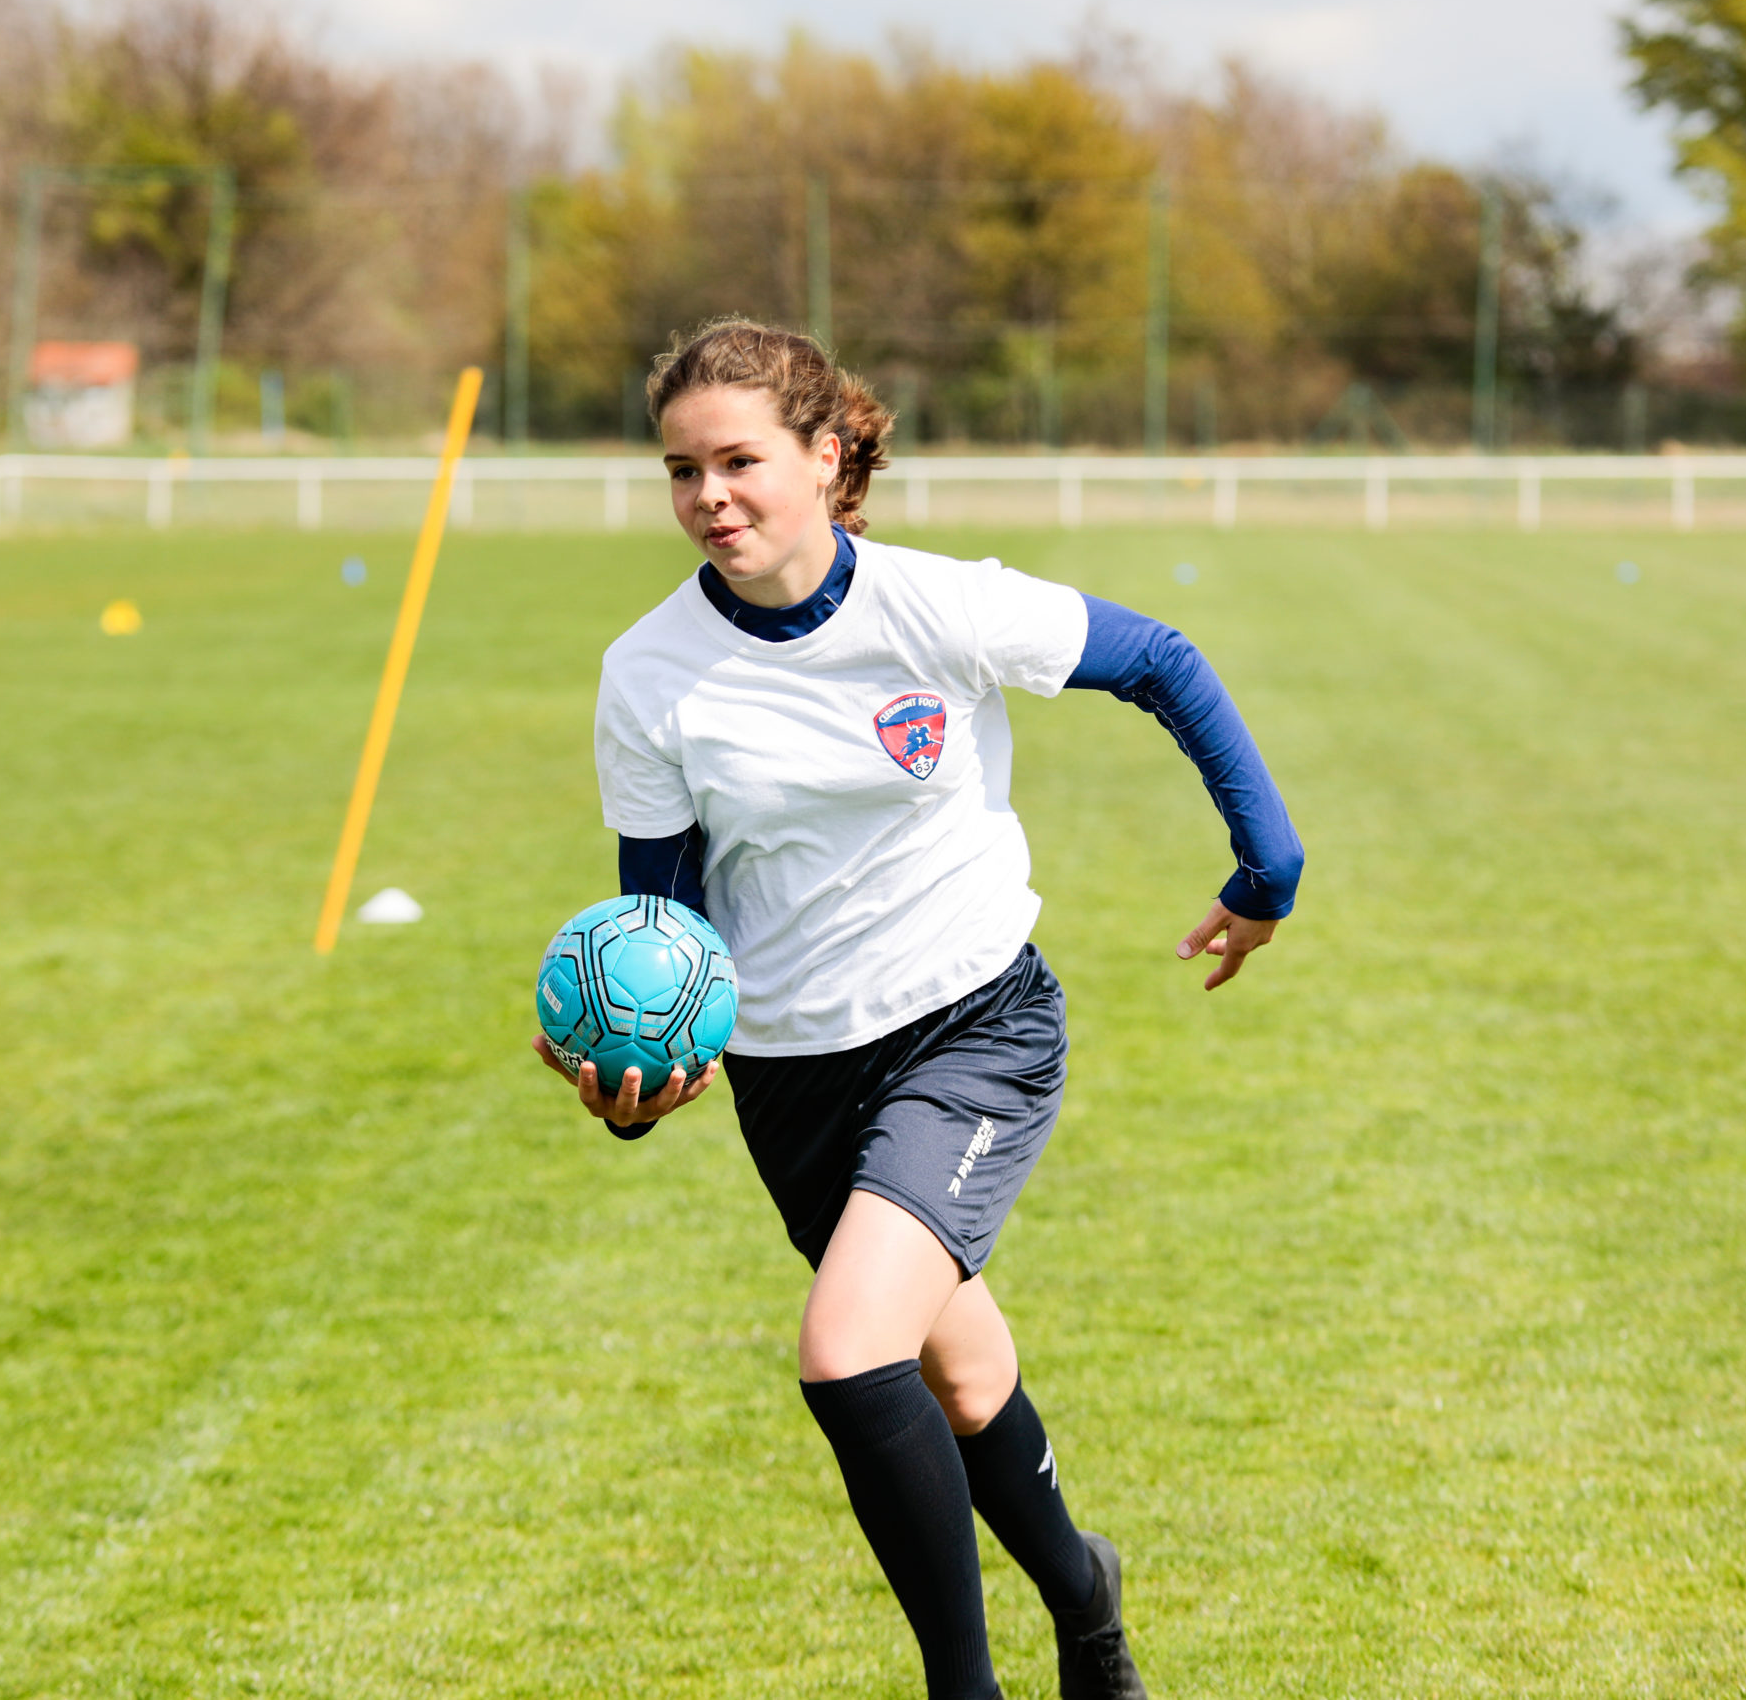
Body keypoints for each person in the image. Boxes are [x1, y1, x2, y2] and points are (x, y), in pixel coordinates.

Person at [531, 320, 1302, 1700]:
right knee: (958, 1379)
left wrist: (1269, 869)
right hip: (791, 1074)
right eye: (683, 470)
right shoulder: (648, 675)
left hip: (971, 1028)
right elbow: (667, 937)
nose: (710, 496)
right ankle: (1089, 1608)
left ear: (827, 458)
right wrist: (636, 1089)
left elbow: (1161, 661)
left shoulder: (938, 607)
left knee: (847, 1353)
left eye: (740, 461)